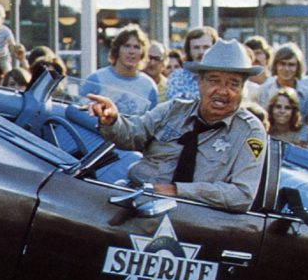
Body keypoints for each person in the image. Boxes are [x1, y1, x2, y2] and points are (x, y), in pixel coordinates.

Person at [86, 38, 266, 213]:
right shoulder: (173, 110)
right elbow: (132, 135)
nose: (222, 91)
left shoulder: (250, 131)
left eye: (233, 84)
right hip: (136, 202)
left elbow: (242, 195)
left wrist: (176, 191)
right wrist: (112, 121)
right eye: (214, 80)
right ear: (199, 82)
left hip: (193, 220)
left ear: (243, 89)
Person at [81, 24, 158, 115]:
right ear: (117, 49)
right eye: (127, 46)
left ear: (142, 53)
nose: (131, 52)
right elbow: (81, 112)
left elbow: (152, 123)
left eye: (136, 47)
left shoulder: (149, 86)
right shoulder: (96, 79)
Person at [255, 43, 308, 121]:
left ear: (298, 67)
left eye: (291, 65)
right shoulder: (263, 92)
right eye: (282, 64)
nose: (286, 69)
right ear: (275, 65)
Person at [164, 26, 217, 102]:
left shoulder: (223, 76)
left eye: (206, 47)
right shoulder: (177, 77)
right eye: (196, 47)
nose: (201, 52)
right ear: (189, 50)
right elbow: (174, 107)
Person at [242, 35, 273, 105]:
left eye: (258, 53)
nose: (255, 58)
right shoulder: (242, 86)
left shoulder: (274, 84)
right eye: (250, 54)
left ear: (267, 57)